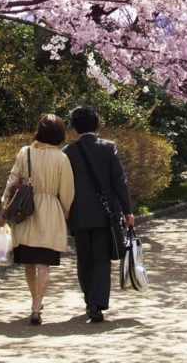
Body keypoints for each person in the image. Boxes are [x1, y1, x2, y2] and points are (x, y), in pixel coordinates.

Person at [0, 113, 75, 325]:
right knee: (44, 264)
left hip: (26, 212)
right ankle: (37, 306)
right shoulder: (62, 158)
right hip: (51, 211)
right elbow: (67, 192)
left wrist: (5, 206)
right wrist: (65, 214)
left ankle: (34, 300)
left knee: (29, 263)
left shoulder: (25, 153)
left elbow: (12, 180)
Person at [63, 105, 135, 322]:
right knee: (102, 259)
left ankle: (89, 301)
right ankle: (98, 303)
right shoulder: (108, 147)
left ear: (75, 128)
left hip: (79, 214)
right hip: (105, 214)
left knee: (84, 259)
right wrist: (128, 210)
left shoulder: (68, 152)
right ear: (97, 124)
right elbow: (119, 182)